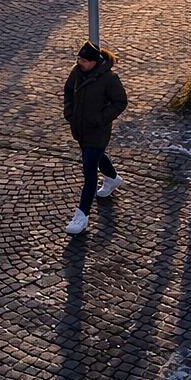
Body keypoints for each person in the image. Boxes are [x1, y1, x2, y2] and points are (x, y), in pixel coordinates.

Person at [62, 41, 128, 235]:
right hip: (81, 129)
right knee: (96, 157)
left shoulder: (109, 79)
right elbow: (68, 91)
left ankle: (81, 217)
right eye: (78, 58)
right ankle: (113, 178)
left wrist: (100, 119)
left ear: (93, 62)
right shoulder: (77, 72)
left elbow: (120, 102)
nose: (79, 62)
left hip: (98, 132)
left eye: (82, 60)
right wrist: (70, 113)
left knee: (89, 173)